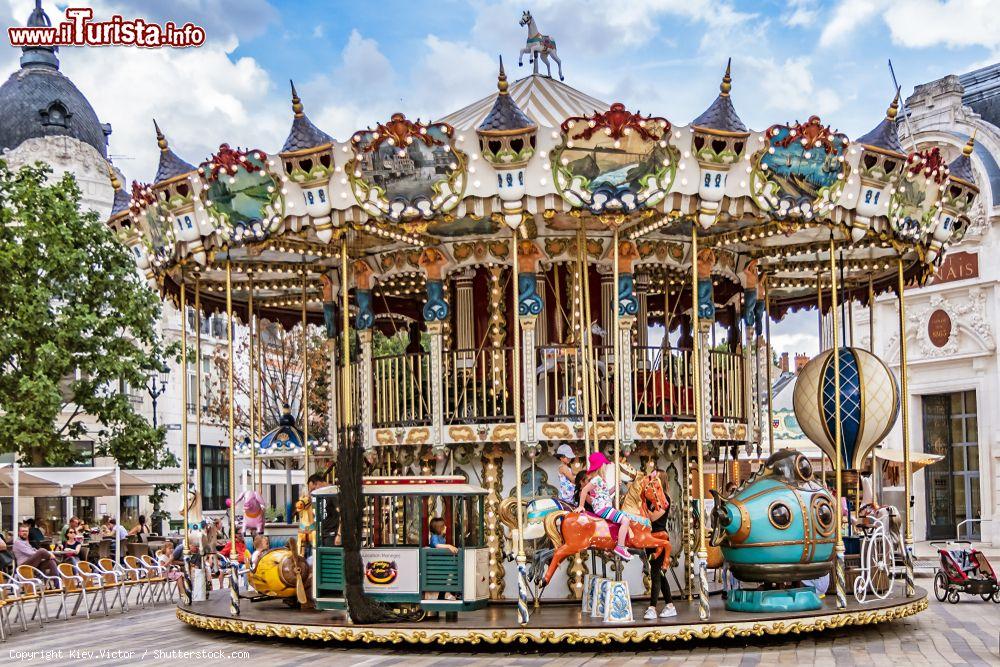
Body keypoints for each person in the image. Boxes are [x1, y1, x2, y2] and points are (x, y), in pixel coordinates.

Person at [576, 452, 632, 561]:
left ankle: (614, 545)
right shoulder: (596, 479)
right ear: (600, 466)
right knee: (625, 520)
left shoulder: (600, 479)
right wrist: (581, 506)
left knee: (622, 518)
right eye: (604, 464)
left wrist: (615, 487)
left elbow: (606, 494)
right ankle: (620, 547)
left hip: (605, 506)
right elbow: (584, 490)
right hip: (603, 508)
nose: (606, 466)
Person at [642, 470, 676, 620]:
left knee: (656, 573)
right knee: (659, 575)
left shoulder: (664, 499)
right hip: (649, 539)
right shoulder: (649, 499)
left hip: (659, 538)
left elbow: (652, 517)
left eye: (654, 479)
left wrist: (641, 507)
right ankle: (670, 605)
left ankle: (652, 608)